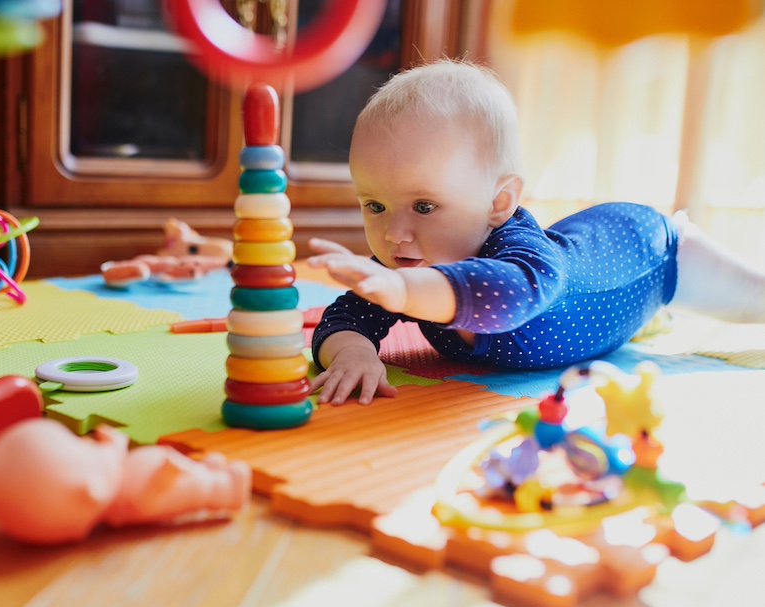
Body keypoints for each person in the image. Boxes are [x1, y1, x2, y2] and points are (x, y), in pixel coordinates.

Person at [307, 58, 765, 406]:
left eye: (424, 206)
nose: (394, 233)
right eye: (375, 205)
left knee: (754, 300)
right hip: (584, 248)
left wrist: (402, 290)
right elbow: (342, 319)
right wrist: (353, 353)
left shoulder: (521, 261)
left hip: (651, 250)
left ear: (498, 203)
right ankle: (657, 321)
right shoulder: (405, 268)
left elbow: (506, 297)